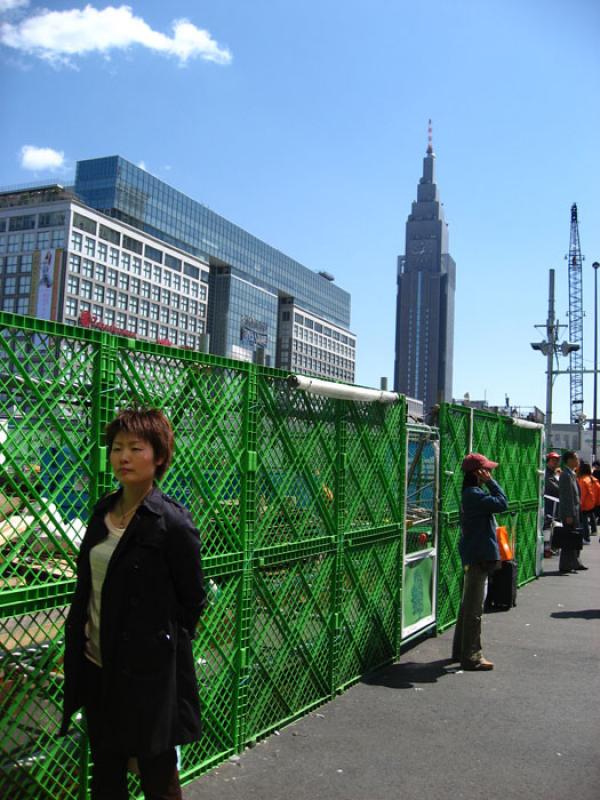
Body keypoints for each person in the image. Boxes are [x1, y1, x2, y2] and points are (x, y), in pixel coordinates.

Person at [60, 408, 208, 800]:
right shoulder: (101, 512)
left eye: (135, 448)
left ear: (158, 456)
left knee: (157, 775)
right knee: (106, 774)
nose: (122, 456)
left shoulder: (171, 522)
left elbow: (193, 599)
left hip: (148, 678)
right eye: (116, 447)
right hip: (97, 667)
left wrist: (157, 642)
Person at [452, 452, 508, 671]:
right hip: (478, 555)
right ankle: (471, 656)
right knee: (474, 609)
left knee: (468, 606)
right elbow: (502, 503)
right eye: (487, 470)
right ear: (478, 473)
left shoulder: (471, 493)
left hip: (475, 553)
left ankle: (460, 651)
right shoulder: (474, 494)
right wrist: (491, 483)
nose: (490, 472)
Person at [558, 450, 587, 573]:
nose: (578, 460)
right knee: (568, 539)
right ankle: (565, 565)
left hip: (575, 511)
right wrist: (569, 514)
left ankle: (575, 562)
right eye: (575, 458)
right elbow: (566, 496)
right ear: (569, 460)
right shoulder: (565, 475)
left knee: (574, 538)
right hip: (569, 513)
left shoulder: (571, 474)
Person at [543, 451, 561, 554]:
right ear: (548, 461)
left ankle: (549, 547)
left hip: (554, 504)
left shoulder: (554, 473)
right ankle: (546, 548)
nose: (556, 462)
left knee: (551, 525)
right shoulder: (547, 473)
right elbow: (554, 488)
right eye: (553, 460)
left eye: (557, 460)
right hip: (549, 503)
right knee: (547, 525)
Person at [577, 462, 598, 542]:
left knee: (583, 521)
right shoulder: (590, 478)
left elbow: (582, 494)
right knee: (588, 518)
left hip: (584, 504)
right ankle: (592, 532)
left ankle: (586, 538)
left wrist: (580, 504)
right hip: (591, 502)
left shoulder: (583, 480)